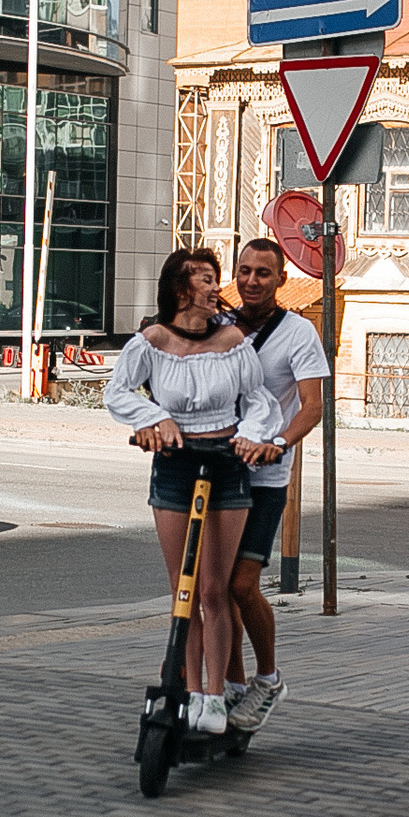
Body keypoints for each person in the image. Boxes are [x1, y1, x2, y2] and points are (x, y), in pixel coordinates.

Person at [107, 248, 282, 736]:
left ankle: (213, 696)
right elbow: (118, 392)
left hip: (226, 465)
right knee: (183, 590)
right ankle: (185, 690)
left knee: (213, 590)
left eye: (214, 279)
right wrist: (153, 418)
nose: (214, 287)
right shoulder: (152, 342)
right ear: (180, 289)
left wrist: (252, 434)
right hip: (175, 468)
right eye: (204, 279)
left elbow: (260, 401)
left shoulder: (232, 341)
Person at [221, 239, 330, 730]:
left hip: (265, 476)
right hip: (220, 469)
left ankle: (268, 679)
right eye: (244, 271)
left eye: (263, 273)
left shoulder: (298, 333)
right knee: (214, 589)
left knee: (243, 585)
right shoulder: (220, 325)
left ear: (281, 279)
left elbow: (312, 405)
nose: (251, 281)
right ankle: (233, 688)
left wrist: (280, 443)